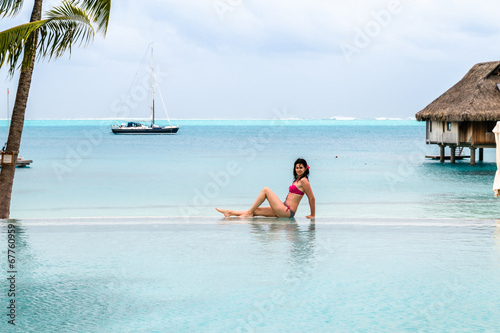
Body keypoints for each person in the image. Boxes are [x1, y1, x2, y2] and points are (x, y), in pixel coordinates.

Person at [216, 158, 315, 218]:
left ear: (305, 168)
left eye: (301, 167)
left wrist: (312, 215)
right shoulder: (297, 180)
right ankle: (229, 212)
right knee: (256, 211)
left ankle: (247, 213)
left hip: (288, 212)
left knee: (266, 190)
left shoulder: (304, 181)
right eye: (297, 167)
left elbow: (312, 198)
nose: (298, 169)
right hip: (283, 207)